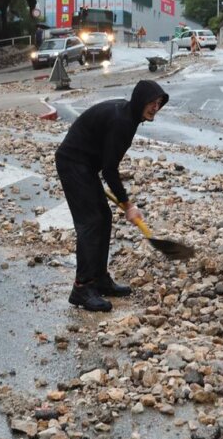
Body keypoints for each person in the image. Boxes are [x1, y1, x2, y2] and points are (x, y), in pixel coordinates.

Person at [55, 80, 170, 312]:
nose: (155, 107)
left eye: (158, 103)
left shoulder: (129, 116)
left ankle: (99, 279)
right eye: (151, 102)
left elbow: (107, 163)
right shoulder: (122, 122)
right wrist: (128, 205)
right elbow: (109, 169)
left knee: (104, 217)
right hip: (73, 162)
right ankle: (82, 287)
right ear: (140, 100)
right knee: (91, 221)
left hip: (86, 164)